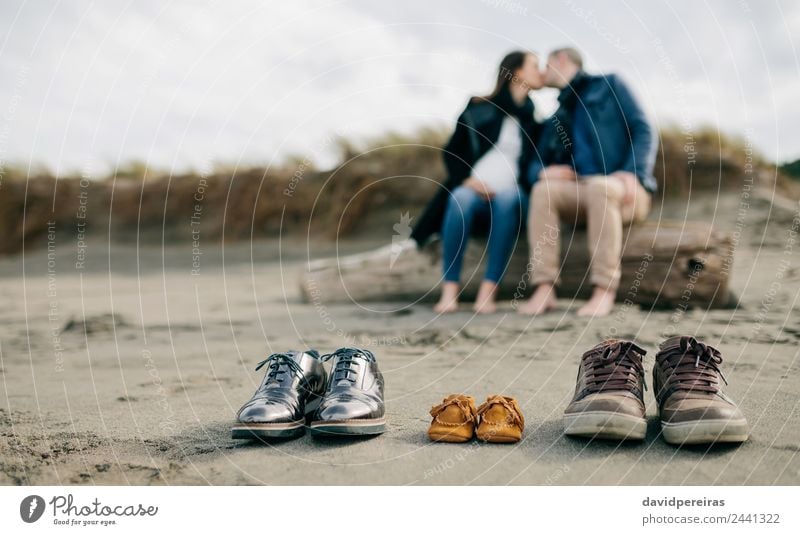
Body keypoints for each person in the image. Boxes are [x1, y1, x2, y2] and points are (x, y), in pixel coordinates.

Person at [519, 47, 657, 318]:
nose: (543, 73)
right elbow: (535, 160)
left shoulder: (610, 85)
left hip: (626, 189)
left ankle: (604, 291)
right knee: (542, 190)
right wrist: (542, 173)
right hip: (582, 190)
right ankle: (544, 288)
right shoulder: (559, 113)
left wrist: (633, 171)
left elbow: (644, 128)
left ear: (561, 60)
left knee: (600, 187)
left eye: (546, 65)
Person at [410, 51, 543, 314]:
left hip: (512, 197)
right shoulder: (479, 108)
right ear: (517, 72)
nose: (541, 72)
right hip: (475, 191)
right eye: (535, 66)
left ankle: (488, 292)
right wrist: (468, 180)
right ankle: (450, 290)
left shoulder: (534, 121)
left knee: (507, 199)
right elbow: (452, 151)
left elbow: (535, 164)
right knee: (460, 197)